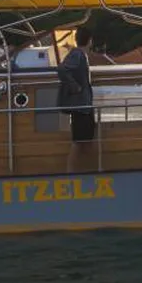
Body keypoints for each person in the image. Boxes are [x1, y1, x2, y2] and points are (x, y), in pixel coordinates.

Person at [58, 23, 98, 172]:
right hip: (81, 106)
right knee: (79, 141)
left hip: (84, 106)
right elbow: (62, 69)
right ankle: (72, 172)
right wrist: (75, 86)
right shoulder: (78, 54)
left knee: (85, 141)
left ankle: (92, 169)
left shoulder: (79, 55)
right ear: (90, 41)